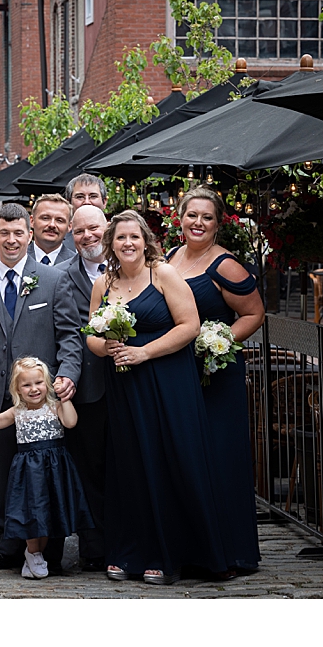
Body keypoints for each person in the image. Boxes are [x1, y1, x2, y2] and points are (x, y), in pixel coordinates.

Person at [87, 210, 228, 585]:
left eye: (134, 237)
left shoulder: (163, 274)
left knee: (170, 460)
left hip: (166, 381)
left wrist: (144, 353)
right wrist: (107, 345)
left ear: (145, 240)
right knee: (131, 463)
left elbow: (190, 325)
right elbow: (90, 334)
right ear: (111, 244)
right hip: (124, 385)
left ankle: (171, 554)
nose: (128, 244)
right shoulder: (104, 282)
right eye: (120, 238)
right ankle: (130, 551)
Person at [0, 202, 81, 574]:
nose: (11, 240)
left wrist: (68, 374)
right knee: (2, 474)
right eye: (4, 233)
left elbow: (71, 336)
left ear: (29, 234)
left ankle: (50, 551)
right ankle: (7, 546)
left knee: (44, 474)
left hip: (43, 401)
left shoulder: (54, 280)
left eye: (18, 232)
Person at [167, 186, 263, 572]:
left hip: (216, 374)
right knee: (187, 457)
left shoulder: (225, 265)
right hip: (179, 373)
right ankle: (193, 547)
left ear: (218, 223)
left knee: (220, 458)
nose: (198, 223)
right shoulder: (171, 258)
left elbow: (254, 314)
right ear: (181, 217)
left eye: (207, 217)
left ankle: (231, 550)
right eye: (192, 215)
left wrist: (219, 342)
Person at [0, 357, 93, 580]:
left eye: (38, 382)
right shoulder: (17, 412)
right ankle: (34, 552)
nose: (34, 389)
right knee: (32, 513)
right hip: (29, 471)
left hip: (54, 469)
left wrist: (64, 398)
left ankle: (34, 554)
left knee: (48, 514)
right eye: (26, 385)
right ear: (17, 388)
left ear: (47, 383)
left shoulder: (54, 407)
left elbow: (71, 422)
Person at [56, 205, 110, 572]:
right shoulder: (62, 276)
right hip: (89, 387)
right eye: (79, 231)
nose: (88, 236)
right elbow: (68, 336)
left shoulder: (134, 264)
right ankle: (95, 547)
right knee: (91, 469)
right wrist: (68, 376)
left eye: (94, 228)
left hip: (134, 384)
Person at [29, 193, 76, 265]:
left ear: (69, 226)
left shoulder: (77, 264)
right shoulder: (17, 258)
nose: (52, 225)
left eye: (59, 220)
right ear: (32, 221)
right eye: (45, 218)